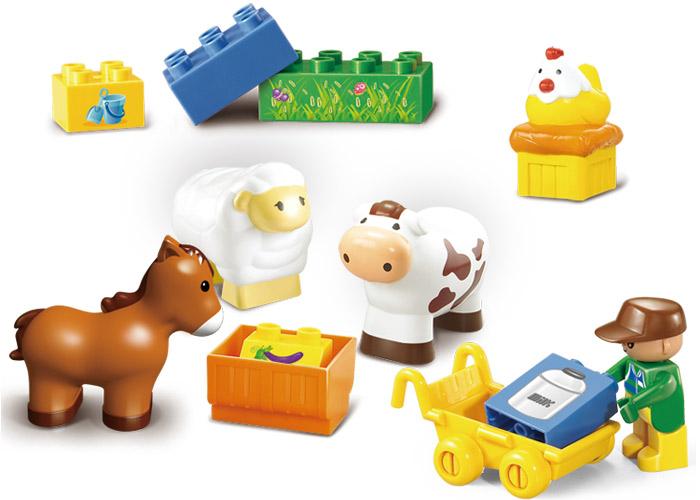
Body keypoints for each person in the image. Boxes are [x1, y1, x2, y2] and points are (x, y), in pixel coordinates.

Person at [595, 297, 687, 472]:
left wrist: (636, 402)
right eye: (623, 342)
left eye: (630, 343)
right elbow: (619, 370)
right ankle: (641, 439)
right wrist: (605, 379)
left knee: (659, 432)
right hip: (638, 408)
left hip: (659, 413)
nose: (625, 347)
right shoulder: (632, 360)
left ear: (665, 345)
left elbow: (660, 390)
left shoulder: (667, 373)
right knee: (640, 426)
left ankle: (661, 452)